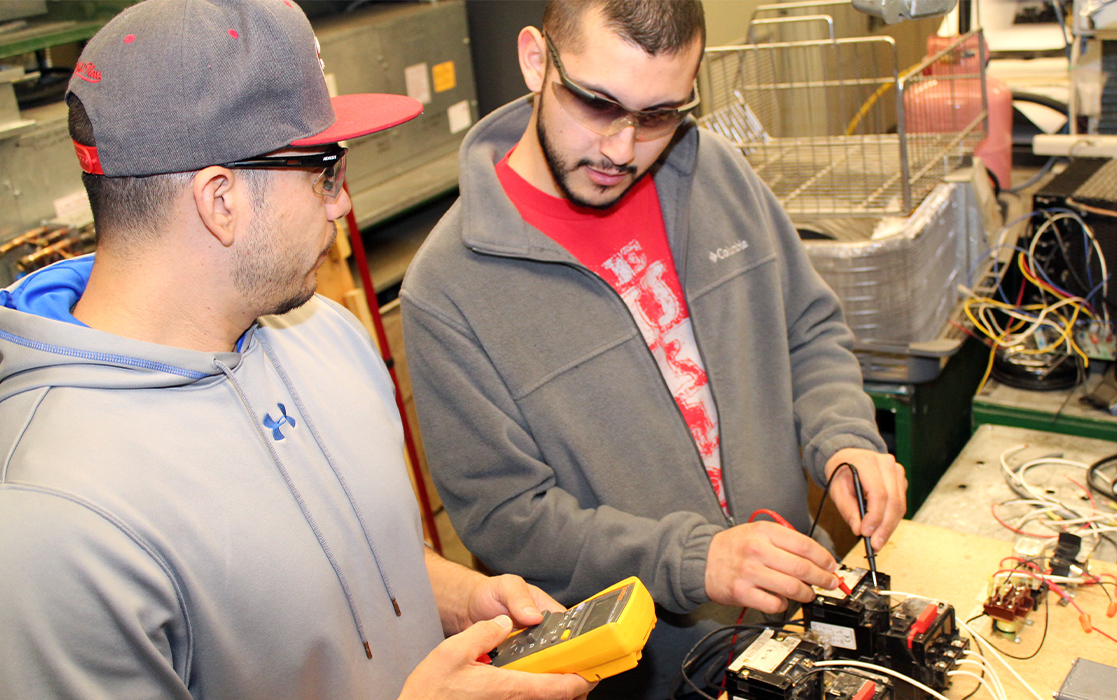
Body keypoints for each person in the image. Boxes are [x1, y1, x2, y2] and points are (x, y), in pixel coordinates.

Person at [0, 2, 594, 699]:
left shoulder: (324, 334)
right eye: (326, 171)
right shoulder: (51, 521)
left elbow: (348, 566)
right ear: (220, 200)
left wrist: (464, 600)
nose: (343, 204)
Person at [399, 0, 908, 697]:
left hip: (798, 624)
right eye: (597, 104)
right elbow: (508, 521)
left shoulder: (715, 175)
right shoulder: (449, 288)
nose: (621, 149)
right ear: (535, 60)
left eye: (660, 115)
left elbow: (807, 331)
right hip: (650, 675)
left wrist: (844, 438)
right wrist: (692, 560)